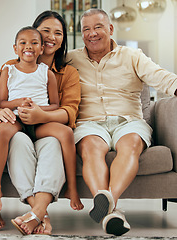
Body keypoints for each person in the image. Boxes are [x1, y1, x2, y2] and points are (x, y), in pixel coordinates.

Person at [67, 8, 177, 236]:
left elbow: (160, 76)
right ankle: (111, 212)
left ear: (110, 29)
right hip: (90, 123)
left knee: (131, 144)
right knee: (90, 148)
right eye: (86, 29)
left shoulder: (132, 55)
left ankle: (108, 204)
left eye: (98, 27)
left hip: (129, 121)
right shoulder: (71, 59)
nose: (92, 34)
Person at [0, 11, 83, 235]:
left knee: (56, 141)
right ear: (16, 46)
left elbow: (65, 109)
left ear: (41, 46)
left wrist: (42, 114)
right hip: (16, 123)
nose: (51, 37)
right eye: (46, 31)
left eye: (58, 33)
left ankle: (49, 205)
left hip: (44, 123)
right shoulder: (9, 68)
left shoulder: (63, 73)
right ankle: (35, 212)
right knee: (15, 138)